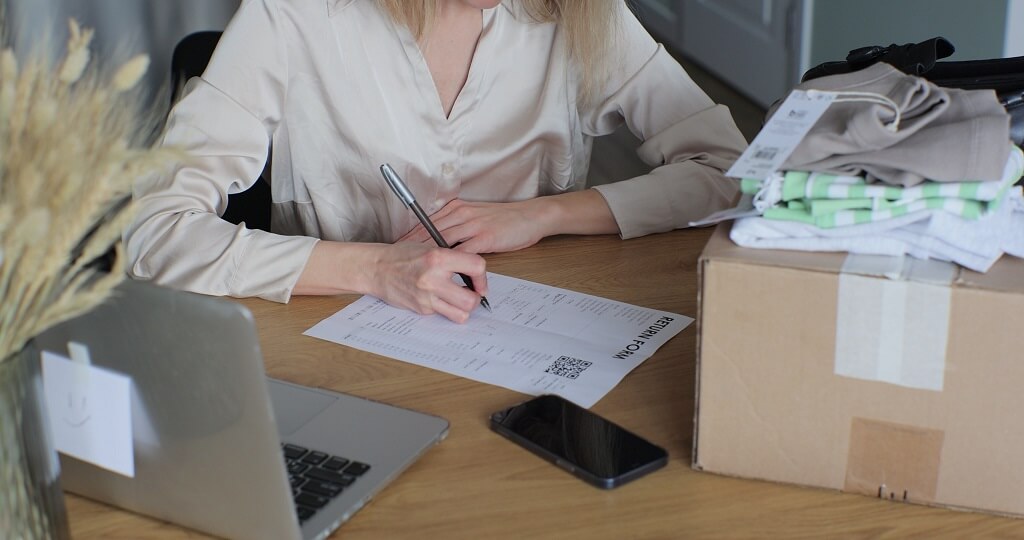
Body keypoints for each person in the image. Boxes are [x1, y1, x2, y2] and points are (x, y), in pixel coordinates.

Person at [125, 0, 748, 323]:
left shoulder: (580, 11)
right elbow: (153, 230)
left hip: (522, 339)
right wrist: (376, 269)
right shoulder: (295, 14)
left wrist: (544, 214)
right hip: (341, 349)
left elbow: (733, 172)